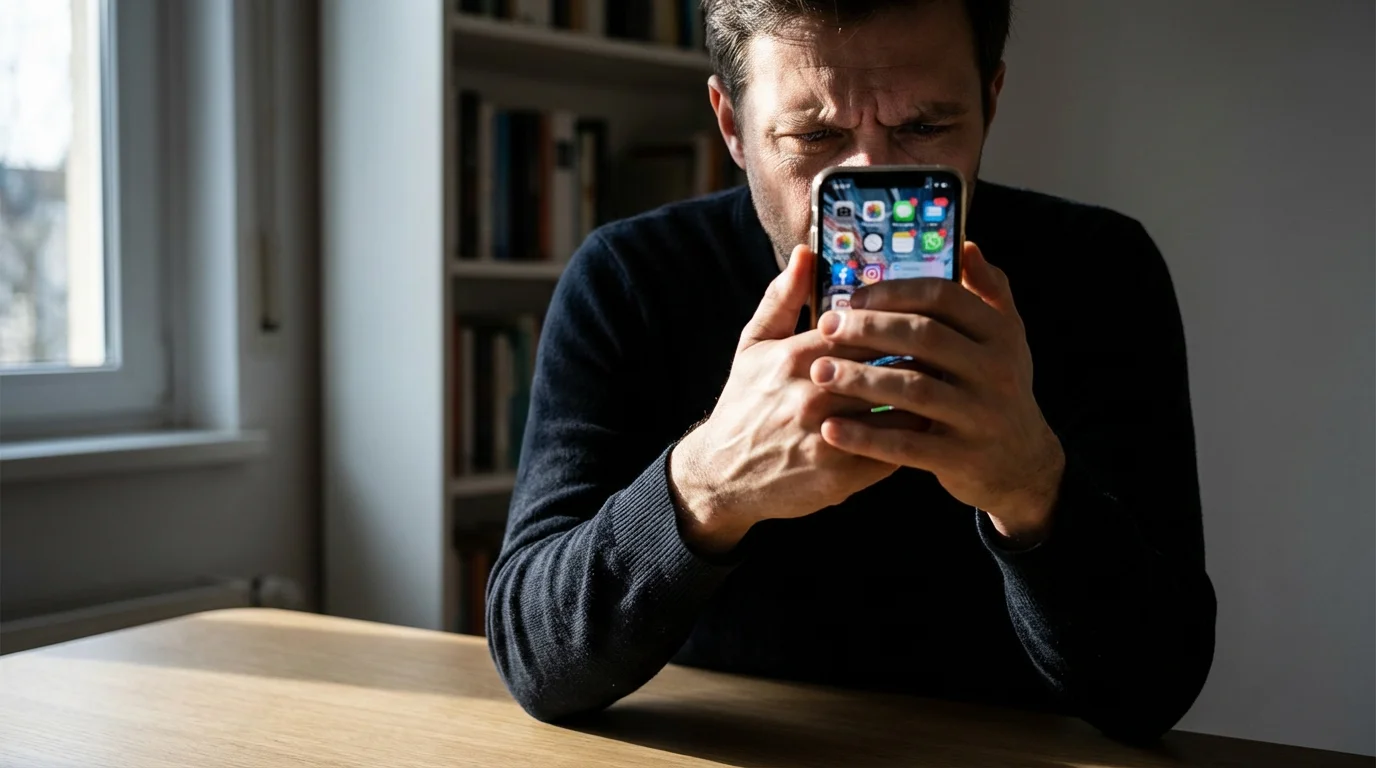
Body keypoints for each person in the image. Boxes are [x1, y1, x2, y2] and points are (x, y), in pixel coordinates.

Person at [486, 0, 1217, 744]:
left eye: (925, 127)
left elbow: (1156, 687)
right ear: (732, 124)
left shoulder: (1101, 273)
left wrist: (1033, 492)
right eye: (814, 135)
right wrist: (707, 483)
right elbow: (535, 660)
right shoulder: (629, 280)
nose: (873, 179)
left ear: (990, 103)